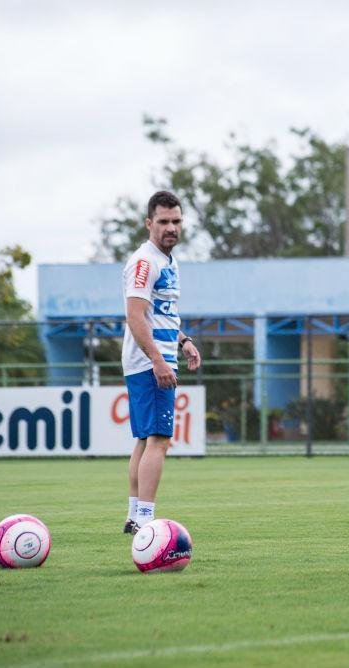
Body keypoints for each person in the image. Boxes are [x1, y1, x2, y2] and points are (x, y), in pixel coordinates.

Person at [121, 191, 201, 535]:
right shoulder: (145, 262)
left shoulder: (168, 261)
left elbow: (160, 314)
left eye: (177, 221)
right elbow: (135, 316)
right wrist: (158, 361)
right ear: (149, 223)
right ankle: (144, 519)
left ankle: (133, 514)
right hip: (150, 362)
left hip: (161, 356)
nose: (171, 228)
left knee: (144, 439)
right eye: (164, 222)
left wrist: (183, 340)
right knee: (159, 439)